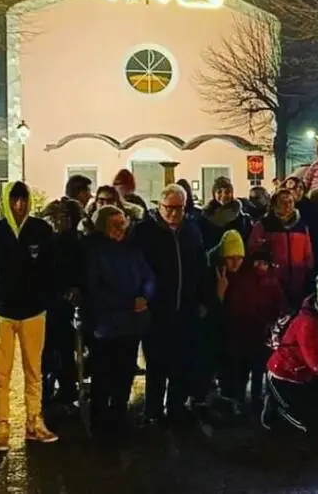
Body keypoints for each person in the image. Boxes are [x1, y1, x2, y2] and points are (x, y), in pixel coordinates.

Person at [0, 181, 58, 449]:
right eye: (14, 200)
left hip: (34, 312)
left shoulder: (42, 231)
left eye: (23, 199)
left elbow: (51, 268)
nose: (19, 205)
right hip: (1, 314)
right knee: (1, 372)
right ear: (7, 202)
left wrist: (44, 298)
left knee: (34, 370)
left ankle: (34, 422)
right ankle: (2, 426)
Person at [132, 183, 209, 425]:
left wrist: (203, 299)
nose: (175, 213)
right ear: (160, 206)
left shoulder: (192, 231)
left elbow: (200, 267)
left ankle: (176, 406)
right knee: (156, 362)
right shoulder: (144, 232)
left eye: (179, 208)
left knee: (181, 362)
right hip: (157, 308)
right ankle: (153, 409)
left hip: (185, 306)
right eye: (170, 208)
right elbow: (136, 268)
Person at [85, 205, 155, 438]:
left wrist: (145, 296)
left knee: (124, 374)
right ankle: (100, 424)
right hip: (106, 326)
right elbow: (94, 289)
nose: (118, 229)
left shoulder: (132, 249)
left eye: (121, 224)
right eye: (113, 225)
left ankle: (119, 419)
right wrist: (127, 303)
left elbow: (148, 276)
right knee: (103, 376)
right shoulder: (95, 251)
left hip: (131, 325)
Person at [207, 229, 285, 412]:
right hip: (237, 334)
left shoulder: (267, 282)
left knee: (257, 371)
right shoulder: (234, 278)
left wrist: (270, 322)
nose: (260, 266)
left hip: (259, 334)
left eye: (239, 258)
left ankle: (254, 400)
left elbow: (278, 305)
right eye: (230, 257)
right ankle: (236, 400)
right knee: (238, 370)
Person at [265, 273, 318, 433]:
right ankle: (276, 408)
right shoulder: (307, 322)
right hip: (286, 374)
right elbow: (314, 362)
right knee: (307, 425)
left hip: (305, 375)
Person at [38, 196, 86, 412]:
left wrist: (74, 288)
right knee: (47, 348)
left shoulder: (76, 242)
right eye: (53, 218)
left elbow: (79, 270)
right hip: (47, 301)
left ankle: (67, 386)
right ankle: (48, 386)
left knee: (65, 347)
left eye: (63, 217)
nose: (58, 222)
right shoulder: (47, 241)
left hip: (65, 303)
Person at [248, 188, 315, 309]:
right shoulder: (264, 224)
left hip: (297, 280)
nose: (287, 205)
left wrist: (308, 271)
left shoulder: (301, 226)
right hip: (272, 280)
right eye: (283, 202)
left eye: (290, 201)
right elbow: (253, 249)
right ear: (275, 204)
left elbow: (308, 253)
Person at [199, 176, 252, 250]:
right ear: (214, 194)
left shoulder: (240, 216)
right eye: (219, 192)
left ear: (232, 193)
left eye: (227, 192)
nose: (223, 195)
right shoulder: (206, 215)